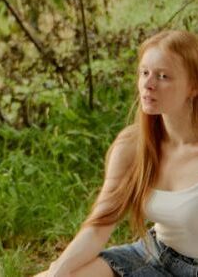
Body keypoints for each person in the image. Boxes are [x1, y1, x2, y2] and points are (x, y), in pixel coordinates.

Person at [35, 29, 198, 277]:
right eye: (145, 73)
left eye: (163, 76)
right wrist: (58, 269)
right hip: (153, 255)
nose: (149, 84)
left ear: (193, 86)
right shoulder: (133, 146)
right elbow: (100, 224)